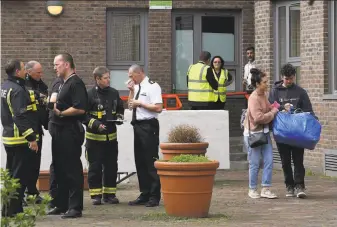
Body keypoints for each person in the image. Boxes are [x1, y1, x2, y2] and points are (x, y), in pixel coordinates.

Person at [47, 53, 88, 218]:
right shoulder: (60, 83)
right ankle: (61, 204)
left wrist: (62, 113)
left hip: (70, 131)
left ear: (66, 64)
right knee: (59, 169)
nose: (54, 67)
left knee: (72, 169)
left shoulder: (76, 83)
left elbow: (81, 108)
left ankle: (75, 207)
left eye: (57, 64)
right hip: (57, 131)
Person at [268, 63, 314, 198]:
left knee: (298, 159)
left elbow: (308, 110)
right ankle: (289, 186)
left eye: (291, 78)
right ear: (282, 77)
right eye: (286, 79)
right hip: (282, 133)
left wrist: (312, 121)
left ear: (294, 77)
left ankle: (300, 186)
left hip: (298, 133)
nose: (288, 81)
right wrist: (282, 106)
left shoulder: (300, 92)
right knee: (285, 161)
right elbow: (271, 106)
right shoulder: (275, 91)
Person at [1, 59, 39, 216]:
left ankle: (8, 209)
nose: (26, 71)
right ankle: (13, 211)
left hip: (9, 137)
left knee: (11, 175)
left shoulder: (5, 86)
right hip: (19, 139)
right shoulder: (18, 89)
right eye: (24, 69)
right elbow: (20, 116)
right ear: (17, 72)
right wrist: (31, 138)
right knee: (19, 177)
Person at [83, 66, 124, 205]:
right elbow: (84, 115)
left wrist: (119, 116)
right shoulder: (89, 95)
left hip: (111, 138)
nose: (108, 80)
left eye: (109, 77)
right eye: (105, 78)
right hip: (94, 140)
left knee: (112, 166)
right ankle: (96, 195)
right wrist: (96, 125)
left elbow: (119, 107)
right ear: (97, 79)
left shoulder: (114, 93)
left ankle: (109, 194)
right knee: (95, 167)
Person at [127, 64, 162, 207]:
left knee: (150, 161)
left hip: (149, 126)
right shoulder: (135, 87)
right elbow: (130, 106)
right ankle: (144, 193)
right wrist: (131, 92)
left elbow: (158, 107)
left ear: (139, 73)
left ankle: (154, 195)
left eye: (131, 75)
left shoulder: (152, 86)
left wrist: (140, 103)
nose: (130, 78)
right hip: (137, 125)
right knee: (140, 161)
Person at [243, 68, 279, 199]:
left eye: (267, 81)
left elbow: (268, 107)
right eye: (264, 82)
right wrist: (273, 113)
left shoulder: (264, 94)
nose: (267, 84)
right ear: (257, 84)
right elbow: (258, 117)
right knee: (255, 162)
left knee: (269, 160)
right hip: (253, 134)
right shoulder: (253, 98)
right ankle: (252, 189)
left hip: (264, 133)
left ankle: (266, 188)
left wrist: (277, 107)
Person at [23, 61, 49, 205]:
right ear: (28, 71)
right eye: (38, 72)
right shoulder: (22, 86)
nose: (41, 75)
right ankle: (21, 194)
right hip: (26, 131)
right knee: (24, 163)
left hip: (38, 129)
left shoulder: (42, 85)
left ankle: (32, 192)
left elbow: (44, 107)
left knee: (35, 163)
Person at [46, 75, 63, 208]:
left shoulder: (60, 82)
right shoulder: (59, 83)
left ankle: (57, 196)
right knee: (58, 162)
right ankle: (55, 196)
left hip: (55, 123)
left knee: (58, 161)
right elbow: (52, 102)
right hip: (57, 124)